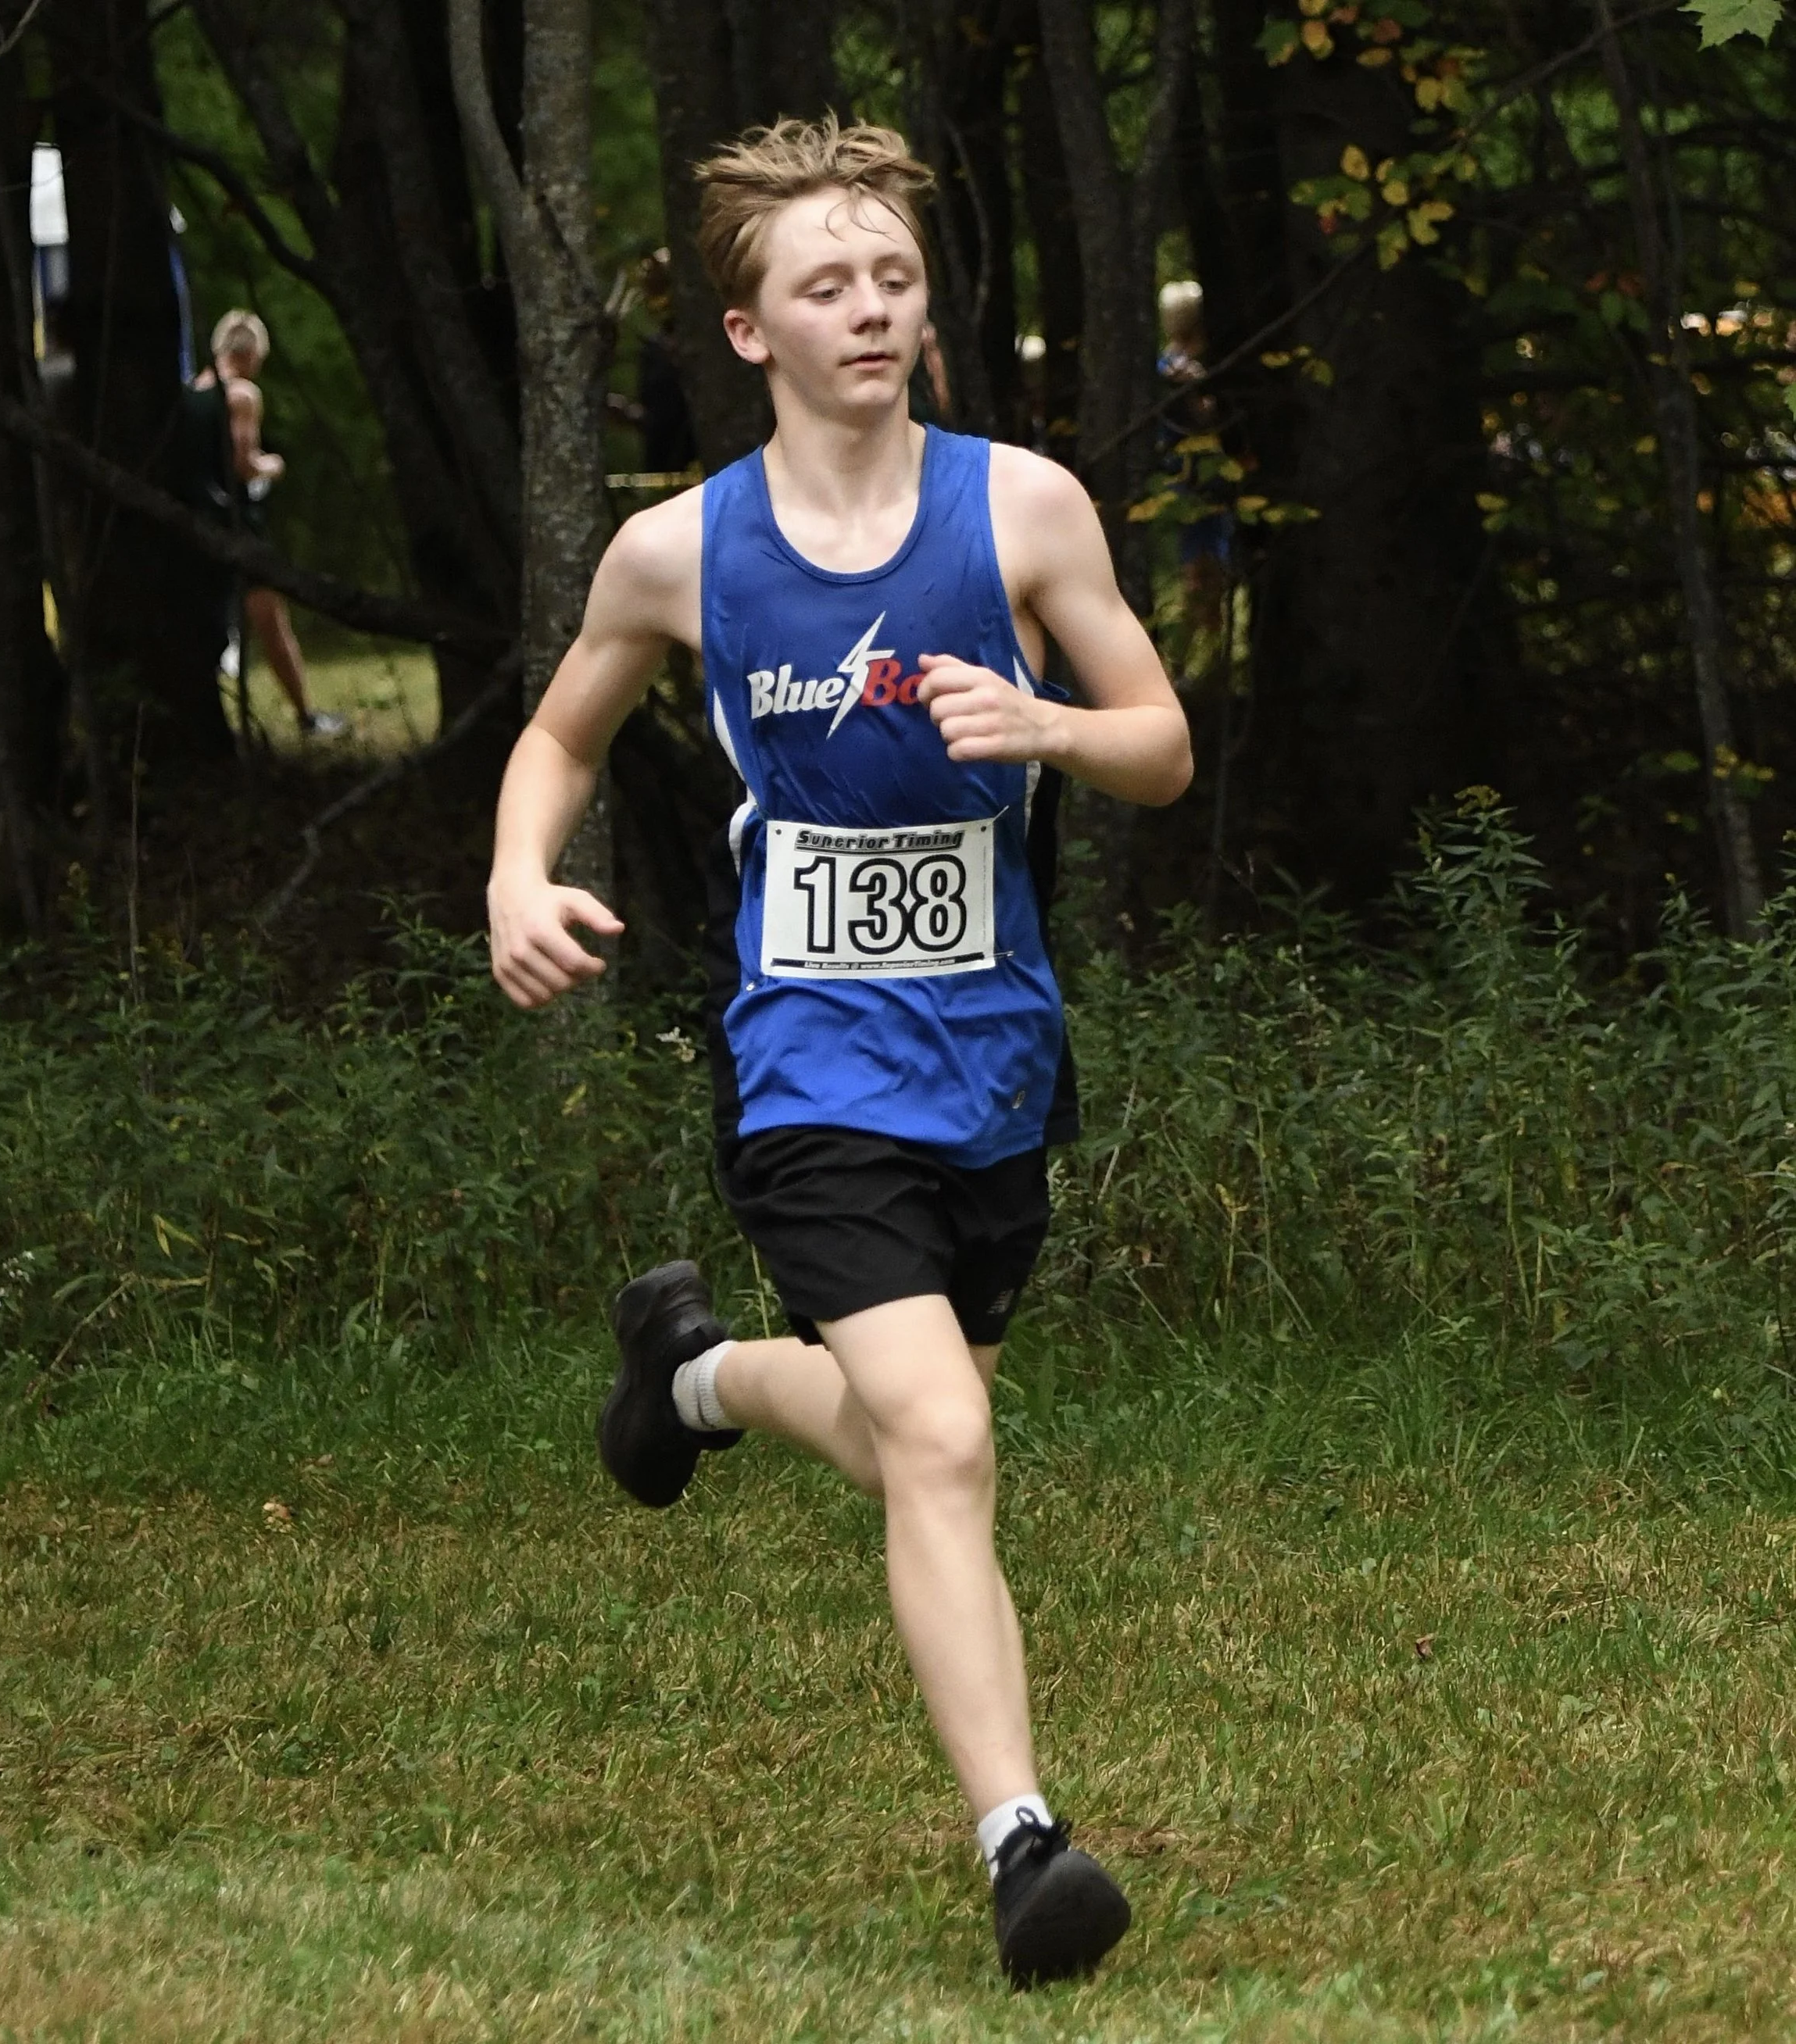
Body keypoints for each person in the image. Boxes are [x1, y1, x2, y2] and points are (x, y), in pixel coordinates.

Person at [486, 118, 1192, 1987]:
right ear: (750, 331)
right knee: (946, 1438)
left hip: (993, 1053)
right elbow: (558, 737)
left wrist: (1042, 726)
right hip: (806, 1060)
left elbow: (1163, 742)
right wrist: (510, 877)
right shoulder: (677, 551)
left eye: (892, 274)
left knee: (905, 1441)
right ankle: (1021, 1840)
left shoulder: (1025, 508)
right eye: (827, 284)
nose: (871, 307)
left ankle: (698, 1375)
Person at [192, 310, 345, 739]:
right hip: (239, 521)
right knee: (272, 623)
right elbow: (244, 463)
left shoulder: (193, 393)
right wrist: (273, 466)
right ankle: (306, 715)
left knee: (209, 623)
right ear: (250, 352)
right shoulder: (242, 395)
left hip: (198, 520)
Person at [1157, 280, 1232, 669]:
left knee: (1210, 571)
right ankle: (1193, 661)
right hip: (1191, 480)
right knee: (1200, 573)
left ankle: (1209, 659)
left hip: (1201, 481)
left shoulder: (1170, 365)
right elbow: (1206, 418)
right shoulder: (1178, 370)